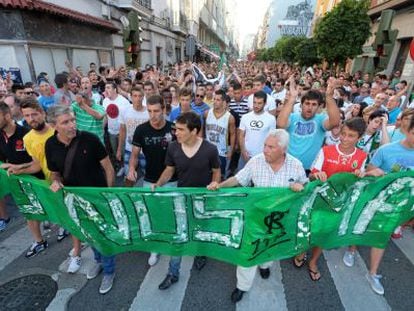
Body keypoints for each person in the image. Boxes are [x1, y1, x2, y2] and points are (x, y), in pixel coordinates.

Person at [207, 129, 307, 303]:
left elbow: (305, 188)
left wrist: (300, 186)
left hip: (279, 221)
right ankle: (242, 286)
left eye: (271, 147)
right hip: (256, 218)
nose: (265, 150)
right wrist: (219, 186)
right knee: (248, 252)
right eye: (265, 146)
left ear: (283, 150)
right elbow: (238, 179)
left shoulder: (296, 165)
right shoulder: (256, 162)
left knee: (270, 248)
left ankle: (265, 265)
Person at [45, 105, 116, 294]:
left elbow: (108, 168)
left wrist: (107, 196)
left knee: (102, 236)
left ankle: (109, 270)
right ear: (54, 126)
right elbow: (54, 173)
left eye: (73, 120)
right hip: (74, 201)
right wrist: (56, 182)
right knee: (87, 234)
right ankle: (99, 262)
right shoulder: (50, 145)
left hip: (98, 199)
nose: (72, 125)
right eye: (66, 122)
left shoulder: (90, 140)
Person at [152, 112, 221, 290]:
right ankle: (173, 273)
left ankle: (200, 253)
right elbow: (169, 170)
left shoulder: (210, 149)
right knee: (179, 236)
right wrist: (158, 184)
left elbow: (216, 170)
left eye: (181, 130)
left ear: (194, 131)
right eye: (176, 129)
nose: (176, 133)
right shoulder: (174, 148)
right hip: (181, 199)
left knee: (200, 230)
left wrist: (215, 183)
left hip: (203, 200)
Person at [307, 118, 368, 280]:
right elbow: (311, 176)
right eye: (343, 134)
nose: (345, 139)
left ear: (359, 138)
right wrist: (316, 176)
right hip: (319, 199)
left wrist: (362, 176)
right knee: (308, 229)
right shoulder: (326, 150)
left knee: (325, 233)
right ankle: (300, 254)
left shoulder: (362, 157)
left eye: (351, 136)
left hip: (339, 204)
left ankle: (313, 261)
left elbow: (360, 184)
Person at [361, 117, 414, 295]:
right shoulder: (387, 150)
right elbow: (368, 170)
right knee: (360, 228)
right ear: (407, 130)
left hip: (399, 206)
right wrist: (374, 172)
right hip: (376, 200)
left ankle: (372, 272)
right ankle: (352, 250)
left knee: (381, 236)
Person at [1, 99, 58, 256]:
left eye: (34, 114)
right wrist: (14, 168)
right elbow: (36, 164)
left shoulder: (51, 132)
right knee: (30, 212)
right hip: (28, 183)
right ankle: (40, 241)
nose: (31, 118)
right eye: (27, 115)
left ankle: (76, 248)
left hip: (54, 182)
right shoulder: (27, 138)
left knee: (62, 213)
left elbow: (41, 164)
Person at [127, 94, 177, 266]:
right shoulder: (141, 130)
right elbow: (134, 154)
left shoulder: (174, 128)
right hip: (150, 178)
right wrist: (132, 168)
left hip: (173, 179)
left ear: (164, 110)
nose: (153, 115)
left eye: (156, 111)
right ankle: (155, 248)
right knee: (153, 213)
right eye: (149, 111)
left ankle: (171, 243)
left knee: (172, 212)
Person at [277, 77, 341, 173]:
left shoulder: (321, 120)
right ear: (301, 105)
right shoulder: (293, 117)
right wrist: (292, 97)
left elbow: (335, 122)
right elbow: (281, 124)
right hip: (287, 166)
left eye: (314, 104)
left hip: (309, 169)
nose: (310, 107)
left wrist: (329, 97)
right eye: (307, 103)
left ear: (319, 107)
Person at [0, 103, 43, 231]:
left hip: (38, 181)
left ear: (7, 116)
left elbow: (38, 163)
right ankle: (39, 241)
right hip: (18, 183)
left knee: (50, 211)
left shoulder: (26, 134)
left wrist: (18, 167)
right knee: (29, 214)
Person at [238, 90, 276, 170]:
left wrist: (266, 154)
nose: (256, 105)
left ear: (265, 104)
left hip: (262, 157)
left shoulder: (271, 119)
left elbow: (272, 139)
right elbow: (241, 135)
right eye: (254, 102)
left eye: (259, 103)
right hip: (245, 155)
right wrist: (243, 151)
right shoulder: (245, 117)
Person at [116, 87, 149, 177]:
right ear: (131, 97)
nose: (137, 98)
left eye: (140, 96)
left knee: (148, 174)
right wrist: (119, 149)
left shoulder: (149, 112)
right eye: (135, 96)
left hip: (145, 150)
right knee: (128, 176)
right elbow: (122, 131)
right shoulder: (124, 110)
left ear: (143, 97)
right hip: (129, 149)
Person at [204, 89, 236, 177]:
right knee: (206, 175)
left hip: (221, 152)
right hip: (207, 150)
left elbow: (233, 134)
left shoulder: (230, 117)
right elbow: (202, 130)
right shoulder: (207, 113)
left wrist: (231, 150)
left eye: (218, 100)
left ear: (223, 102)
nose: (215, 101)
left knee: (219, 177)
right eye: (214, 99)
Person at [102, 82, 130, 174]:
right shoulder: (105, 101)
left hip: (122, 132)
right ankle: (121, 166)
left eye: (109, 88)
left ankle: (128, 169)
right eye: (105, 88)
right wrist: (102, 128)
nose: (106, 90)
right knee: (115, 152)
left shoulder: (124, 102)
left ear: (115, 89)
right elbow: (106, 116)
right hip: (111, 132)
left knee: (123, 151)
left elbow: (127, 119)